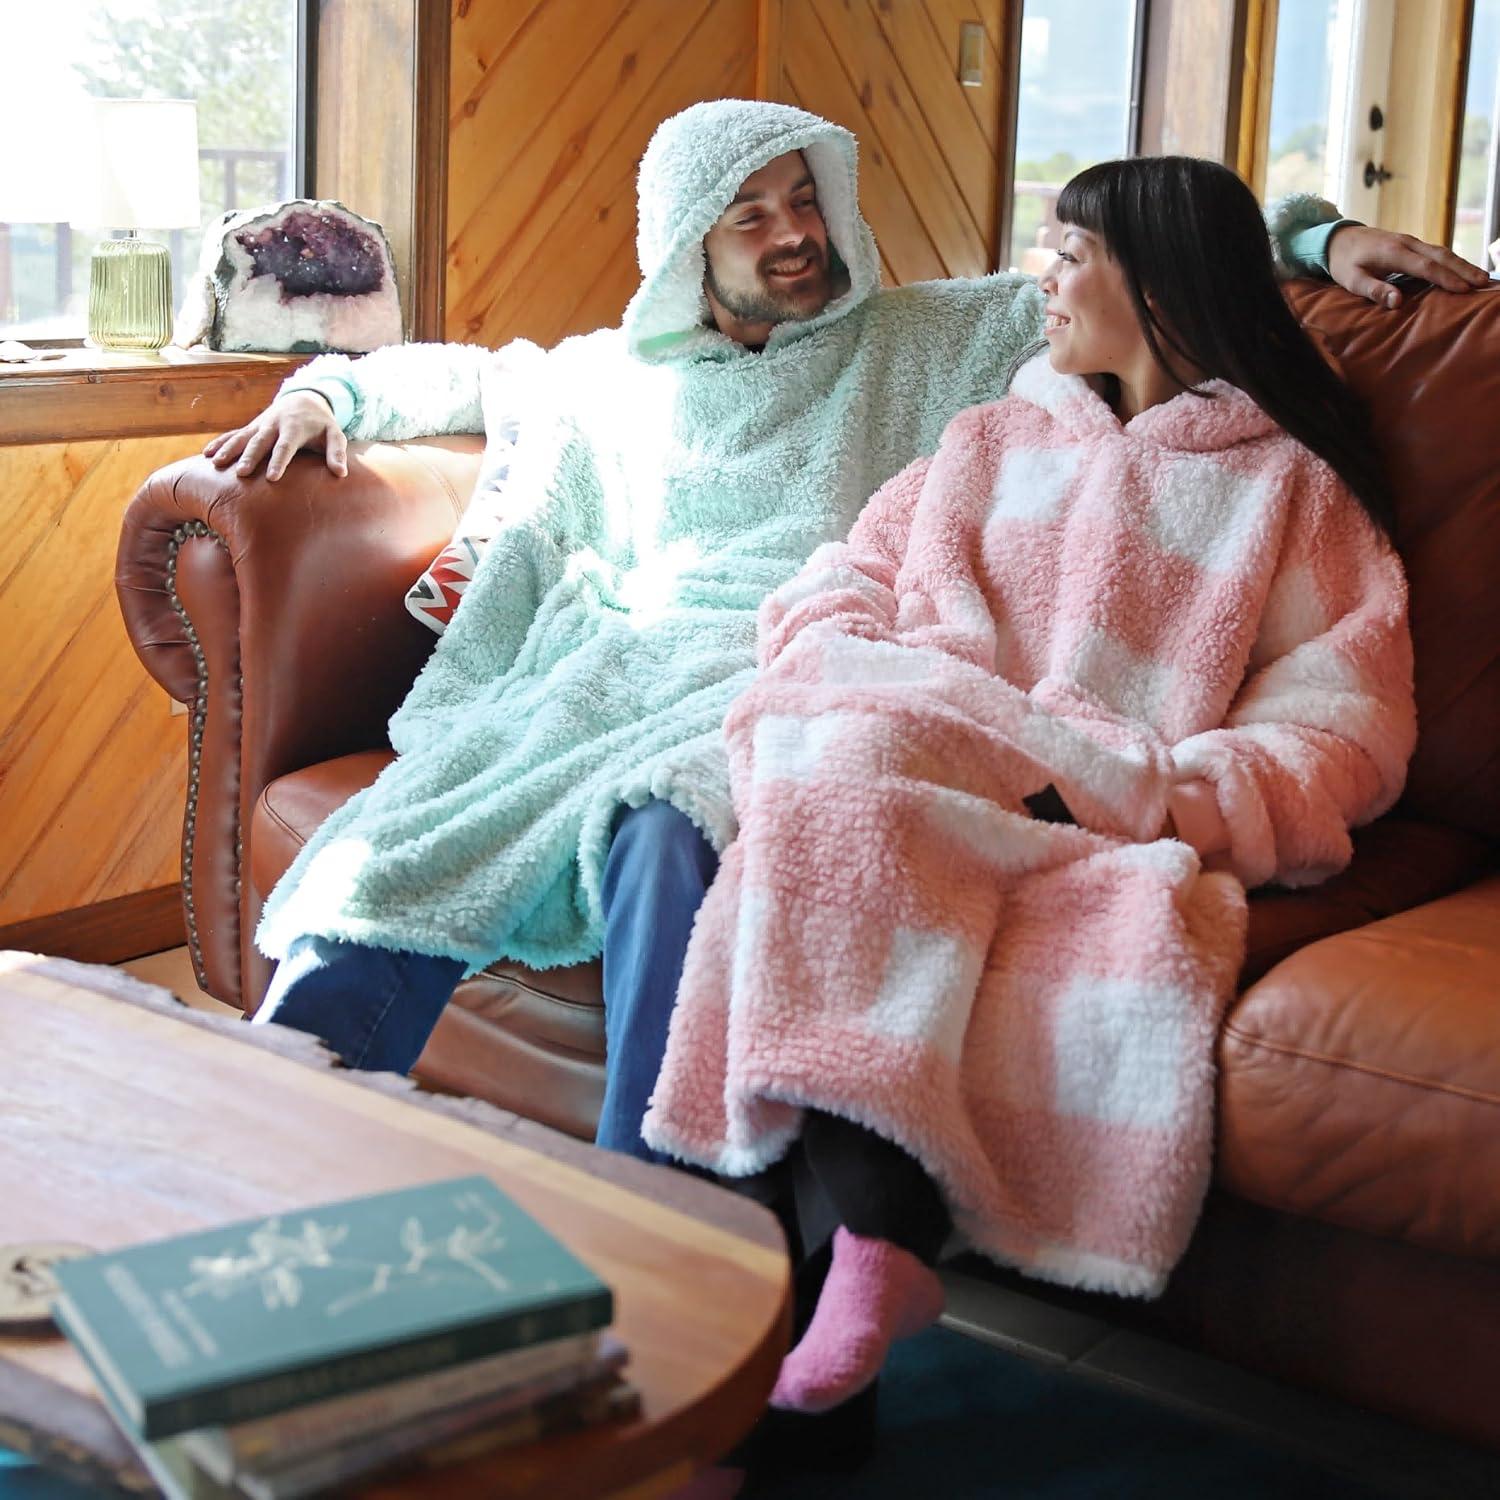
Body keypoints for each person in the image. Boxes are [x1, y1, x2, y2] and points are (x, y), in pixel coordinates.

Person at [202, 99, 1470, 1173]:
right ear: (686, 244)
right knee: (414, 835)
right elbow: (477, 374)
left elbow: (1164, 250)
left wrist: (1324, 233)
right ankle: (258, 1143)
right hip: (620, 662)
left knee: (660, 817)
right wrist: (327, 392)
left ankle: (660, 1209)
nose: (795, 234)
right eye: (750, 216)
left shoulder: (924, 338)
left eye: (804, 200)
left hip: (808, 659)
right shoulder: (616, 376)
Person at [640, 154, 1417, 1421]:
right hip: (916, 740)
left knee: (824, 817)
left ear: (1158, 285)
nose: (1041, 278)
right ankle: (861, 1261)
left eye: (1071, 254)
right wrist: (857, 661)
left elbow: (1343, 725)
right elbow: (846, 576)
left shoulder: (1288, 486)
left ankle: (756, 1375)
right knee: (829, 780)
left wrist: (1157, 794)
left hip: (1086, 808)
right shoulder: (992, 436)